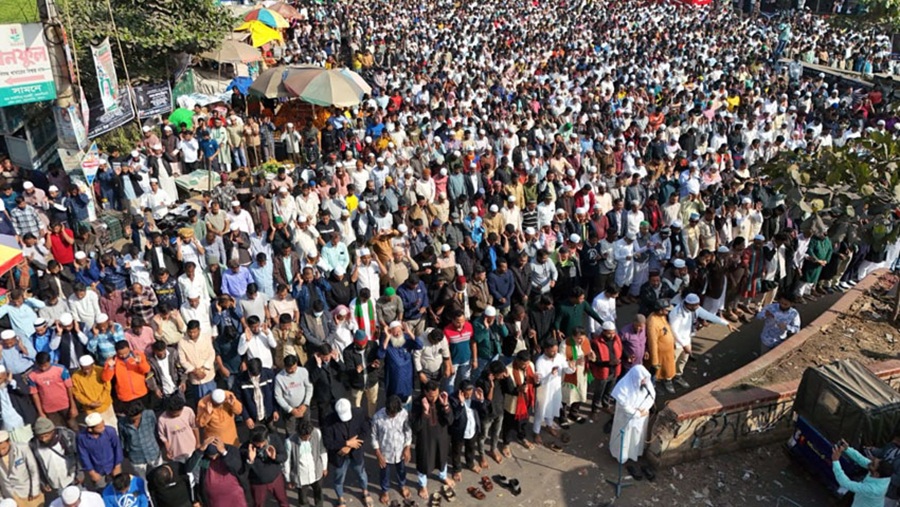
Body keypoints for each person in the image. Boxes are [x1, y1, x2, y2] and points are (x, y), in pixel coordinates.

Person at [609, 365, 656, 479]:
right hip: (626, 419)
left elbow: (651, 396)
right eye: (642, 379)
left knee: (636, 437)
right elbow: (624, 406)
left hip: (641, 417)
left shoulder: (646, 384)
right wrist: (637, 413)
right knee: (624, 439)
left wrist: (643, 409)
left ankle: (635, 454)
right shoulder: (624, 386)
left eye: (645, 379)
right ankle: (622, 457)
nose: (644, 381)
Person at [411, 381, 455, 499]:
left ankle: (443, 476)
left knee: (442, 458)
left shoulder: (442, 400)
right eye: (431, 395)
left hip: (442, 439)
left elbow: (450, 421)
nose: (434, 398)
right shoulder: (417, 403)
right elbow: (415, 427)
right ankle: (423, 485)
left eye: (436, 394)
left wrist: (446, 406)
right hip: (425, 440)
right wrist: (425, 412)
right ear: (425, 392)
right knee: (423, 463)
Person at [322, 398, 370, 507]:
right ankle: (341, 498)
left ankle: (365, 492)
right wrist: (346, 443)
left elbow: (365, 430)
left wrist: (351, 446)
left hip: (356, 453)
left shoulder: (359, 413)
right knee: (339, 479)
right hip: (339, 456)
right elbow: (328, 443)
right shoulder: (328, 422)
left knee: (362, 474)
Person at [370, 395, 413, 504]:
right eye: (392, 413)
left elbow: (407, 431)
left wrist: (407, 447)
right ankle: (385, 491)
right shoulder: (377, 417)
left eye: (396, 413)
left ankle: (402, 485)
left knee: (402, 470)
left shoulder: (403, 414)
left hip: (400, 451)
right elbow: (374, 436)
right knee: (384, 473)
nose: (394, 415)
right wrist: (378, 454)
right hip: (385, 454)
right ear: (386, 409)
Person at [532, 338, 574, 448]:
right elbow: (540, 380)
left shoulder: (559, 357)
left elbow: (567, 369)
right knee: (540, 412)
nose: (555, 353)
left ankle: (549, 426)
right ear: (545, 350)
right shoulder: (540, 361)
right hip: (543, 390)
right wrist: (551, 374)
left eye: (556, 351)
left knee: (553, 408)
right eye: (552, 351)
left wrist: (572, 367)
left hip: (556, 389)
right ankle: (536, 432)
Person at [185, 437, 247, 507]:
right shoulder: (204, 459)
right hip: (215, 499)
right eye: (211, 456)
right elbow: (189, 468)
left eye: (215, 455)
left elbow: (237, 467)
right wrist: (200, 450)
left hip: (234, 496)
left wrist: (224, 453)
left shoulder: (231, 450)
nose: (213, 458)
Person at [831, 439, 891, 507]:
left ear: (876, 474)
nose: (870, 462)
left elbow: (845, 483)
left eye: (872, 463)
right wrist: (847, 449)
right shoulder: (881, 474)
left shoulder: (873, 489)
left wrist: (835, 460)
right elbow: (861, 459)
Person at [284, 419, 328, 507]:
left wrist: (324, 467)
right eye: (305, 437)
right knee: (303, 498)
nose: (308, 438)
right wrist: (288, 479)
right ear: (299, 434)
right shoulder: (289, 442)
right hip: (301, 476)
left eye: (309, 436)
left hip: (316, 472)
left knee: (318, 493)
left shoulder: (317, 433)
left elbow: (322, 450)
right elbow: (286, 462)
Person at [241, 426, 288, 507]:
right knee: (259, 504)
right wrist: (250, 460)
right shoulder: (244, 450)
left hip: (276, 479)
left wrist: (275, 457)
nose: (260, 446)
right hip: (258, 484)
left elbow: (284, 456)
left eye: (263, 443)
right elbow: (242, 472)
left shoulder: (275, 440)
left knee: (283, 501)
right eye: (257, 444)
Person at [30, 416, 80, 493]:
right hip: (55, 484)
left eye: (46, 436)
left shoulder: (66, 437)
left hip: (73, 478)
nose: (43, 439)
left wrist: (80, 473)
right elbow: (36, 466)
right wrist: (42, 483)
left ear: (52, 431)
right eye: (40, 437)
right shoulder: (34, 446)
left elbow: (78, 455)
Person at [76, 412, 123, 489]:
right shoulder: (82, 438)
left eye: (103, 424)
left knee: (119, 488)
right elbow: (83, 455)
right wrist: (92, 473)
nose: (103, 428)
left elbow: (117, 448)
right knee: (102, 490)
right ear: (90, 429)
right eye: (99, 427)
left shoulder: (110, 431)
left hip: (113, 466)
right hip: (98, 471)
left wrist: (117, 466)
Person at [118, 401, 162, 478]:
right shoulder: (121, 422)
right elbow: (123, 439)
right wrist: (125, 452)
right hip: (136, 457)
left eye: (137, 417)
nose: (135, 420)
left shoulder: (149, 415)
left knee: (159, 475)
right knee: (141, 480)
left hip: (153, 451)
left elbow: (155, 429)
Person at [0, 429, 42, 507]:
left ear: (8, 442)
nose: (1, 452)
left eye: (3, 448)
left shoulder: (22, 448)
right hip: (10, 496)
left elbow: (33, 469)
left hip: (28, 492)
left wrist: (35, 490)